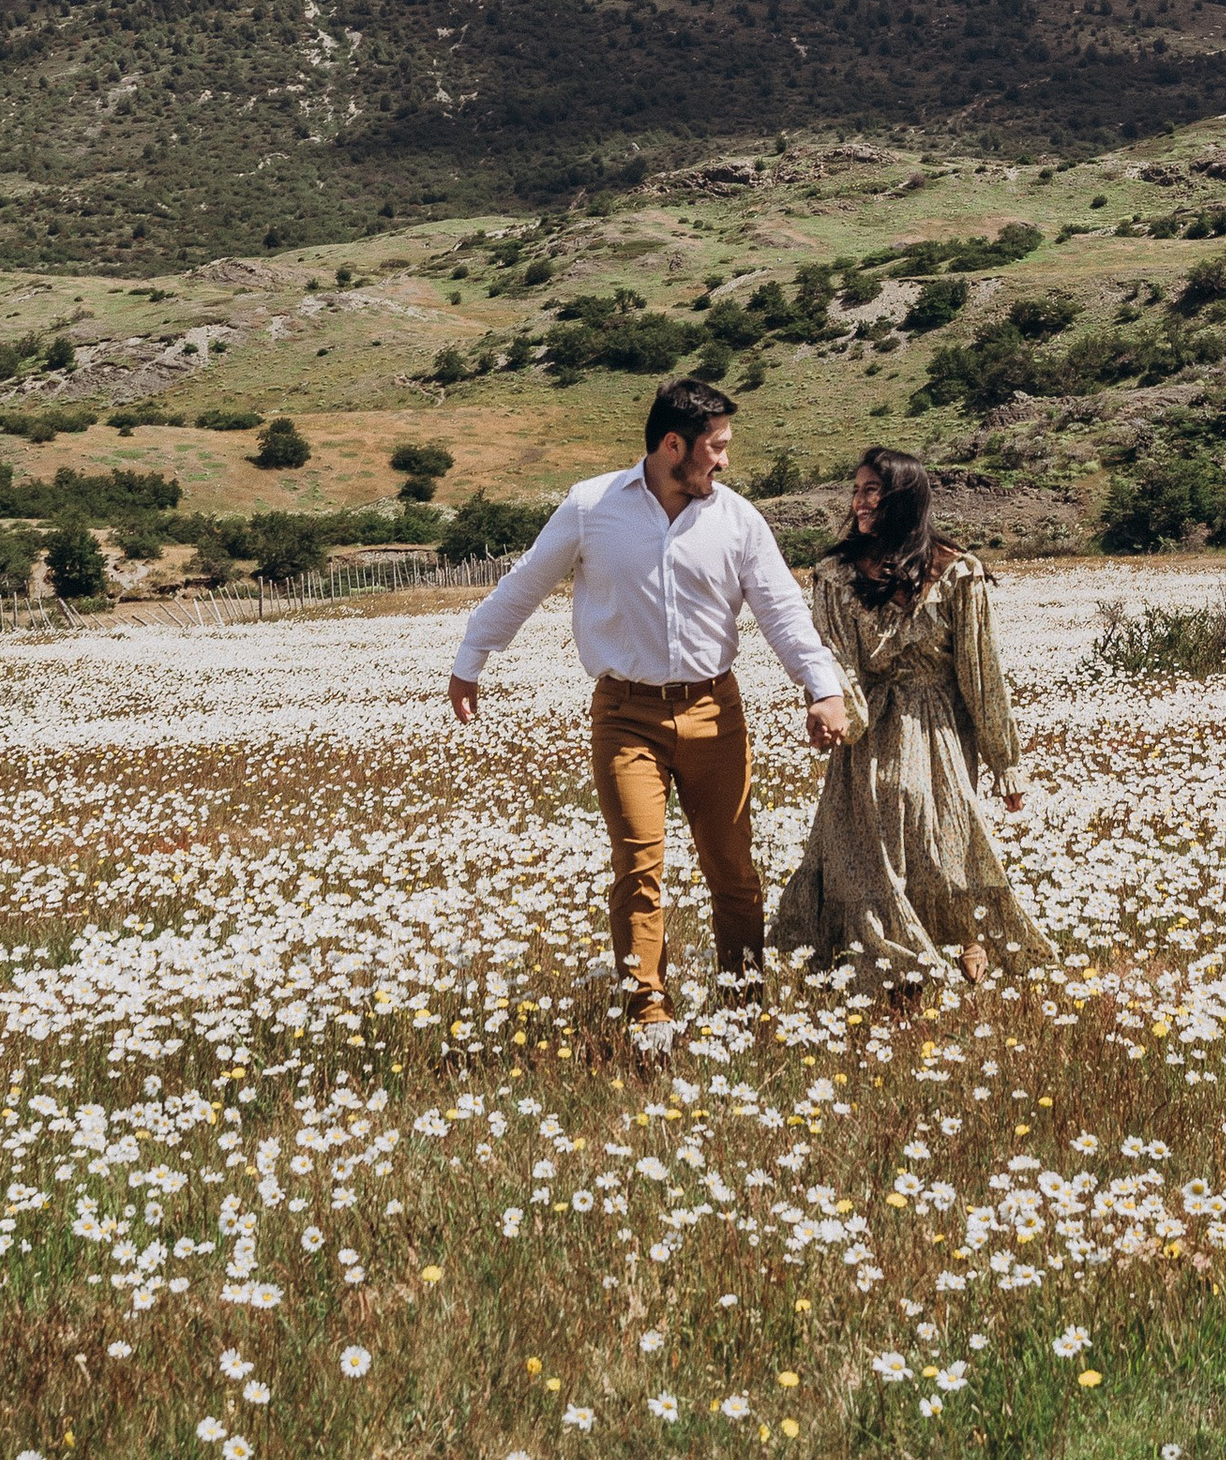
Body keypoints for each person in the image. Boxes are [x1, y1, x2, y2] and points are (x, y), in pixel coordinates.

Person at [448, 377, 849, 1048]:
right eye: (715, 447)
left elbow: (782, 609)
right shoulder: (591, 506)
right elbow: (526, 582)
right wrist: (472, 655)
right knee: (638, 869)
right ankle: (648, 1016)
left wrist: (821, 686)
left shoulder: (738, 520)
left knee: (733, 871)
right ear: (673, 445)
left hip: (715, 712)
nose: (724, 461)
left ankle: (743, 1006)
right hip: (625, 715)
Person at [773, 444, 1048, 989]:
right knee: (869, 838)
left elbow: (981, 671)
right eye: (855, 491)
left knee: (938, 832)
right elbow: (833, 657)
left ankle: (962, 938)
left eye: (871, 491)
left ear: (902, 497)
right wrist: (837, 714)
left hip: (939, 727)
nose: (859, 502)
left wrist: (1005, 762)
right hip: (870, 724)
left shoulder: (957, 573)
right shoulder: (835, 575)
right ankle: (884, 958)